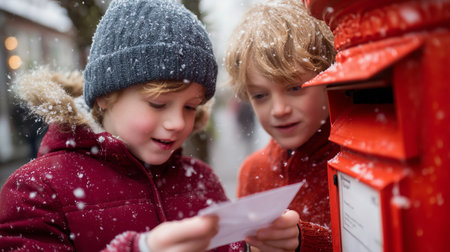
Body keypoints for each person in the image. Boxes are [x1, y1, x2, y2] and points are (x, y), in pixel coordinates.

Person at [0, 0, 299, 251]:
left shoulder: (201, 180)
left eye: (190, 107)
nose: (177, 123)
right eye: (158, 103)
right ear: (105, 96)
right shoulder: (36, 190)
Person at [224, 0, 340, 251]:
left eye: (295, 88)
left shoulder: (349, 164)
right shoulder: (252, 171)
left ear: (328, 79)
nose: (279, 110)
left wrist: (304, 241)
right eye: (261, 96)